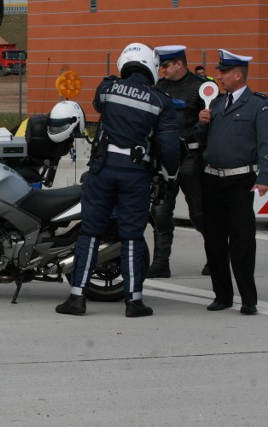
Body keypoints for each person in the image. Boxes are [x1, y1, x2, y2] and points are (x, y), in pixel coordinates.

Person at [56, 43, 180, 317]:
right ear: (151, 66)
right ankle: (134, 302)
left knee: (90, 231)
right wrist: (170, 175)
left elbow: (97, 104)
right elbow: (170, 147)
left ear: (124, 63)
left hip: (103, 170)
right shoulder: (160, 101)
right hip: (135, 174)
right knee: (132, 236)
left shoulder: (108, 88)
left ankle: (76, 298)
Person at [195, 49, 268, 315]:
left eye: (224, 72)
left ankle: (248, 299)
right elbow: (201, 140)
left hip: (240, 182)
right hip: (212, 179)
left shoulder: (257, 105)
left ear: (239, 75)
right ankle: (222, 295)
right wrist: (201, 123)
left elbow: (265, 144)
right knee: (213, 241)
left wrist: (264, 177)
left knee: (242, 241)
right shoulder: (215, 104)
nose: (219, 76)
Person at [146, 45, 208, 278]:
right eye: (161, 66)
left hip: (192, 156)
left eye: (166, 65)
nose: (162, 70)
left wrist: (203, 123)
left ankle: (215, 256)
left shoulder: (200, 88)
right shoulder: (159, 88)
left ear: (179, 64)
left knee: (199, 213)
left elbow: (214, 120)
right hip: (165, 158)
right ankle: (161, 263)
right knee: (160, 213)